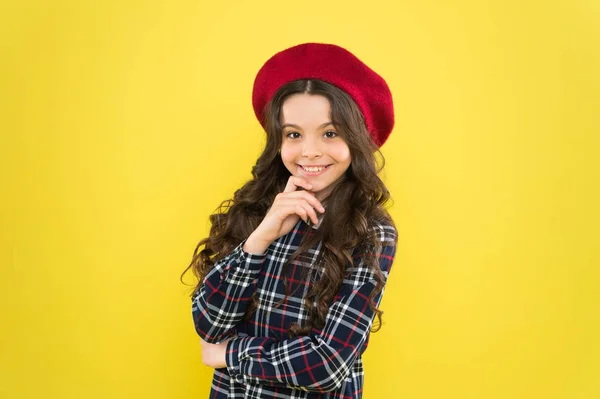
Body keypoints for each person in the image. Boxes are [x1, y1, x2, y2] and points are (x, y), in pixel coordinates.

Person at [183, 42, 398, 399]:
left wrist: (230, 354)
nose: (309, 151)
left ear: (356, 140)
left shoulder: (371, 229)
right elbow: (209, 323)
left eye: (330, 133)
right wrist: (261, 238)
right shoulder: (255, 207)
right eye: (294, 134)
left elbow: (328, 363)